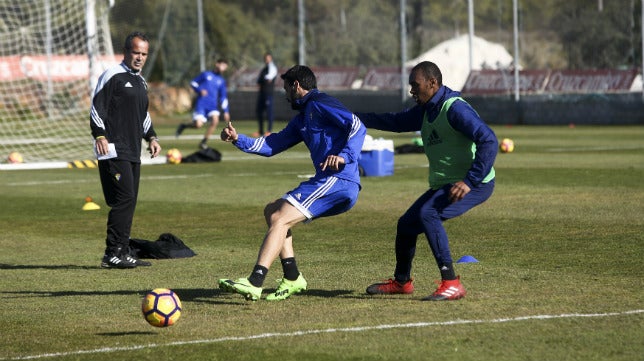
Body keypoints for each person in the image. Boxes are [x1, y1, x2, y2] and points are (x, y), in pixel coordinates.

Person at [218, 65, 366, 301]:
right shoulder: (302, 118)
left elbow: (357, 125)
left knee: (280, 218)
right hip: (328, 181)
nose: (285, 93)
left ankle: (255, 281)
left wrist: (344, 156)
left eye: (286, 87)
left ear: (296, 85)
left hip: (338, 179)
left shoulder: (320, 102)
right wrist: (238, 140)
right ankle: (292, 276)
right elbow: (272, 145)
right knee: (273, 211)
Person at [356, 61, 497, 301]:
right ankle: (402, 282)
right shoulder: (426, 110)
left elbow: (489, 140)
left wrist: (469, 181)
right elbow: (396, 122)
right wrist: (355, 117)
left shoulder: (455, 109)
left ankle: (451, 283)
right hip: (447, 184)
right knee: (406, 225)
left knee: (428, 214)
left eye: (415, 85)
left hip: (475, 183)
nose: (412, 91)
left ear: (433, 83)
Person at [90, 31, 161, 269]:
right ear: (126, 52)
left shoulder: (140, 81)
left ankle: (124, 250)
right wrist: (99, 134)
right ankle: (112, 253)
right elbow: (96, 109)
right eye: (136, 52)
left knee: (130, 201)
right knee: (124, 199)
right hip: (112, 149)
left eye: (144, 54)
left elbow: (143, 116)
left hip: (132, 150)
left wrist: (151, 137)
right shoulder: (112, 76)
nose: (140, 57)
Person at [176, 58, 230, 149]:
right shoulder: (206, 74)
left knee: (215, 120)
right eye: (223, 65)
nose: (223, 68)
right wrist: (199, 90)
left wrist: (226, 111)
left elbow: (223, 97)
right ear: (217, 64)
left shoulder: (221, 81)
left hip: (212, 106)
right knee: (198, 125)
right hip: (201, 104)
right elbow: (193, 83)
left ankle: (203, 142)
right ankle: (184, 126)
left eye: (225, 67)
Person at [254, 52, 278, 136]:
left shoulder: (272, 68)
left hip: (268, 93)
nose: (267, 60)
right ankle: (260, 130)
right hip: (262, 93)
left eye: (268, 58)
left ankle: (269, 130)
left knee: (269, 112)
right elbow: (259, 81)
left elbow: (269, 78)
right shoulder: (264, 69)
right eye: (266, 58)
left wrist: (265, 79)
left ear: (271, 59)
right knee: (259, 111)